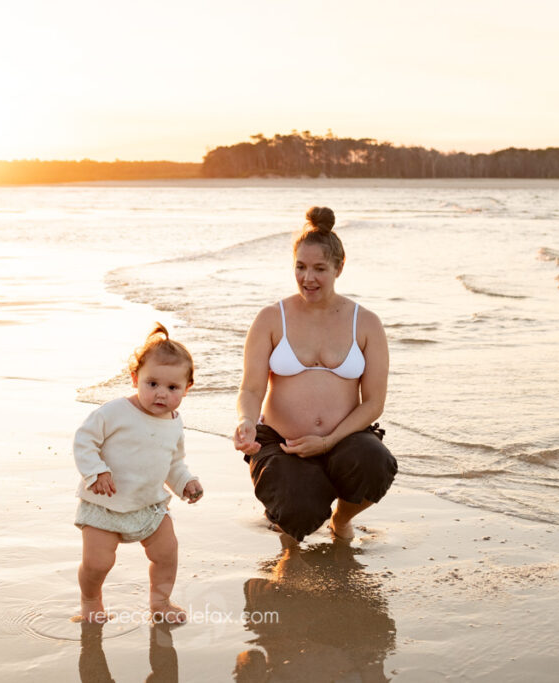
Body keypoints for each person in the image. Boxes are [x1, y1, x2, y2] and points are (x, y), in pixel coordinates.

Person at [233, 206, 397, 542]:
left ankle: (341, 520)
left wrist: (327, 441)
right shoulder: (270, 318)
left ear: (339, 267)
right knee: (298, 506)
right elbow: (251, 389)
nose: (308, 278)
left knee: (375, 463)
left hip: (345, 439)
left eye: (319, 268)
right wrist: (246, 421)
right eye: (301, 267)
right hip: (282, 442)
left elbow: (373, 403)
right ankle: (288, 524)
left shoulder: (366, 323)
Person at [74, 324, 204, 624]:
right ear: (135, 379)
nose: (161, 394)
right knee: (97, 563)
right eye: (152, 383)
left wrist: (185, 482)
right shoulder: (114, 412)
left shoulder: (174, 422)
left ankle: (160, 603)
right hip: (105, 503)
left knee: (167, 553)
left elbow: (173, 463)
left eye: (172, 388)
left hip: (149, 505)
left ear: (187, 388)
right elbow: (84, 441)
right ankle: (91, 600)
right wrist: (96, 472)